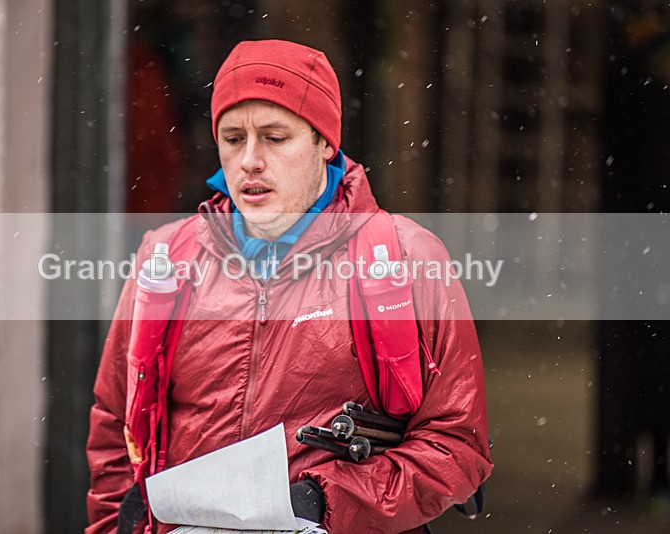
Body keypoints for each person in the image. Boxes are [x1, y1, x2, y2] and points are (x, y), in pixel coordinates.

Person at [86, 39, 493, 534]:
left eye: (275, 138)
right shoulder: (165, 260)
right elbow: (114, 428)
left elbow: (456, 446)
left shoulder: (406, 261)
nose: (250, 161)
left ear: (325, 143)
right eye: (233, 138)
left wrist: (323, 502)